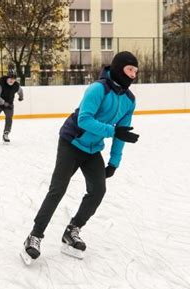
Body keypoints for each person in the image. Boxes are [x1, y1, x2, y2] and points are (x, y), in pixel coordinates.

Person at [21, 51, 140, 263]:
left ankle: (72, 230)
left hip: (93, 149)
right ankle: (34, 236)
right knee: (58, 189)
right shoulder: (98, 89)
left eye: (136, 72)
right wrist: (113, 132)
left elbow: (122, 133)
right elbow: (84, 120)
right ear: (119, 68)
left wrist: (114, 162)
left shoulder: (129, 101)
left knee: (98, 190)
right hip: (71, 142)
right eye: (130, 70)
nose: (133, 75)